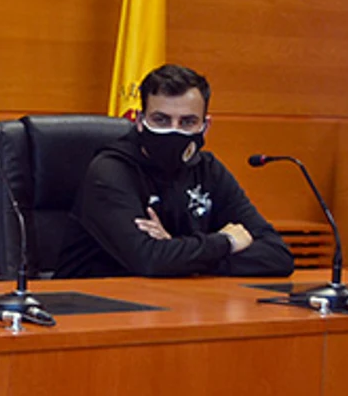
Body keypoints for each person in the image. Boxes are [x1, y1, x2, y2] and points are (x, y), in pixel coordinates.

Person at [56, 63, 293, 279]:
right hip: (94, 308)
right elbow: (149, 260)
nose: (173, 131)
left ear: (205, 126)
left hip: (172, 302)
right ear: (139, 121)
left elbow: (277, 255)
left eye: (188, 122)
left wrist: (178, 250)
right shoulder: (110, 170)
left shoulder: (208, 169)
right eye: (161, 120)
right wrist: (226, 241)